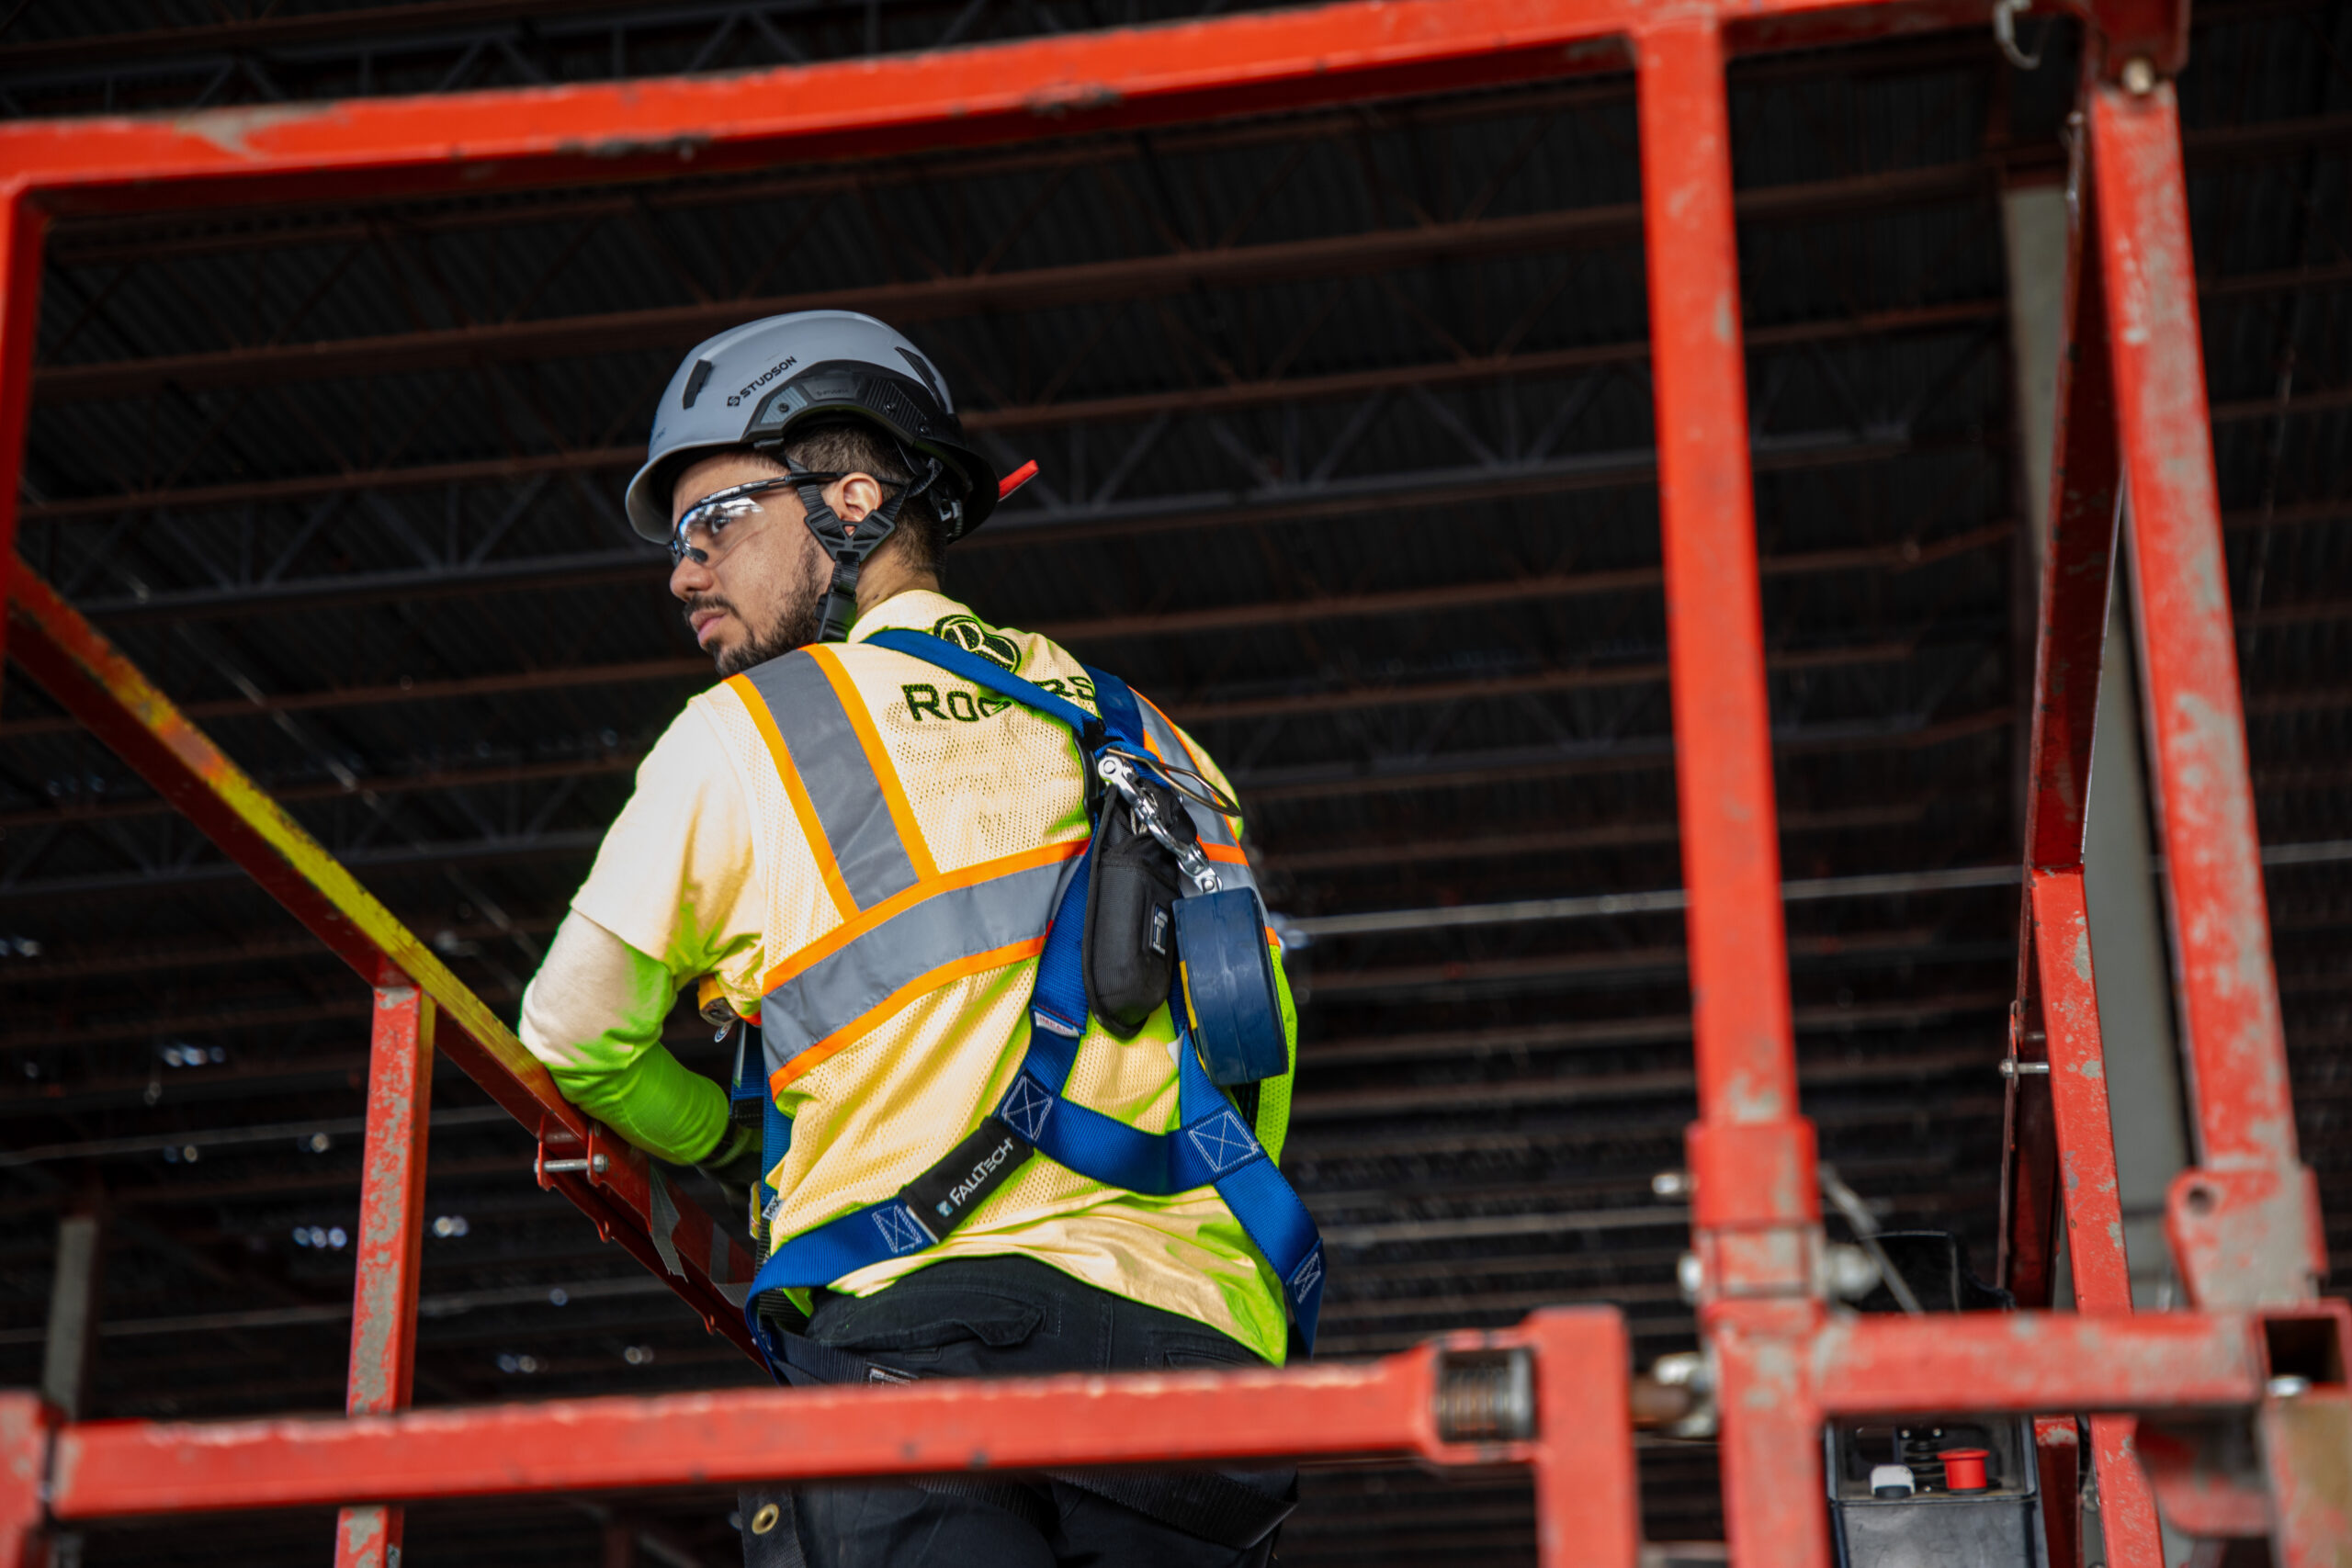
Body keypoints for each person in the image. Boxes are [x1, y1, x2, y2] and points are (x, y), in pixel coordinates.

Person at [516, 310, 1319, 1568]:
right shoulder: (1152, 737)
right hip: (1201, 1366)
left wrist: (724, 1136)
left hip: (926, 1347)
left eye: (712, 520)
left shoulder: (757, 731)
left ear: (851, 498)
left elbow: (573, 1035)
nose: (683, 572)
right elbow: (1249, 1047)